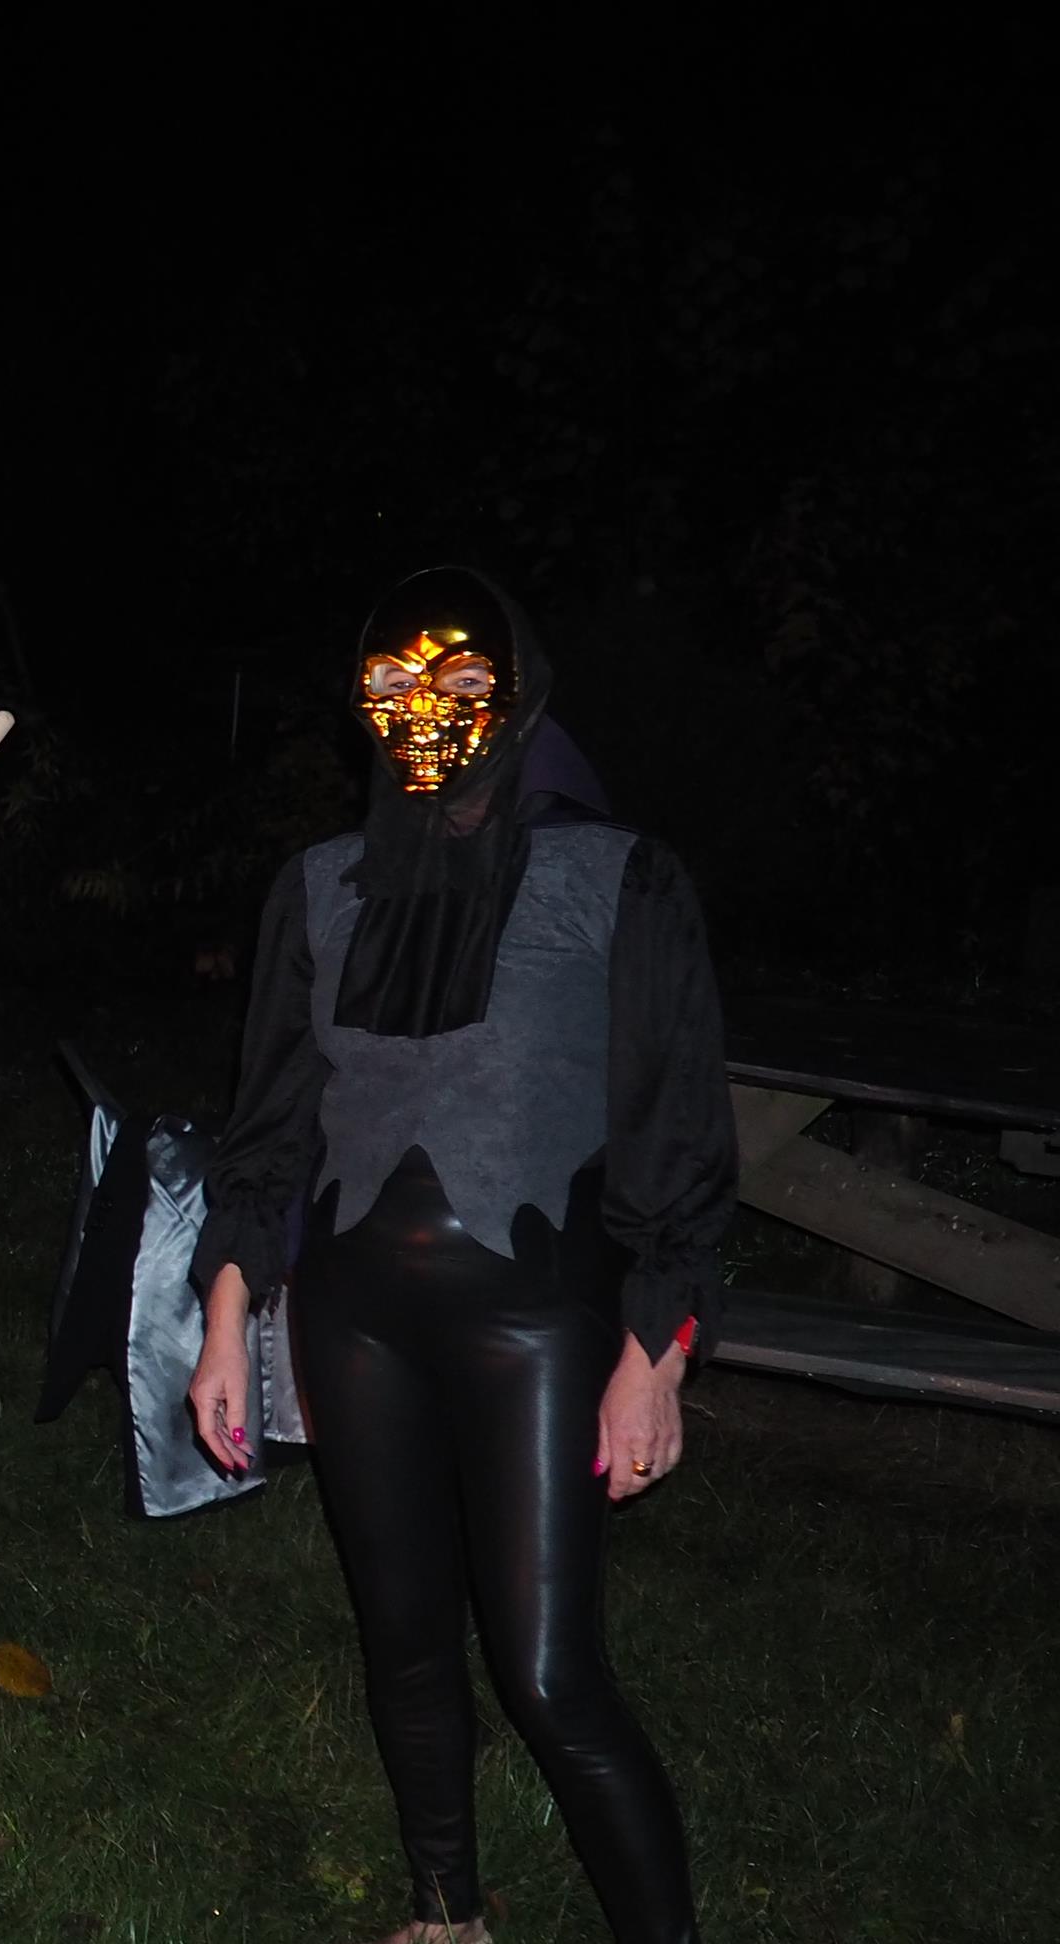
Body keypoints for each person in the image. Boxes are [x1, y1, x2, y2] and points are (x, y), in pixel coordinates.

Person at [187, 566, 727, 1944]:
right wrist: (227, 1322)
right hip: (354, 1317)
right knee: (406, 1639)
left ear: (520, 691)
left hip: (538, 1322)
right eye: (390, 685)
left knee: (550, 1675)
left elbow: (674, 1130)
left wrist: (656, 1352)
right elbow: (268, 1127)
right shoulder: (323, 887)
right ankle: (445, 1914)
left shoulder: (618, 877)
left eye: (461, 680)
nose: (424, 710)